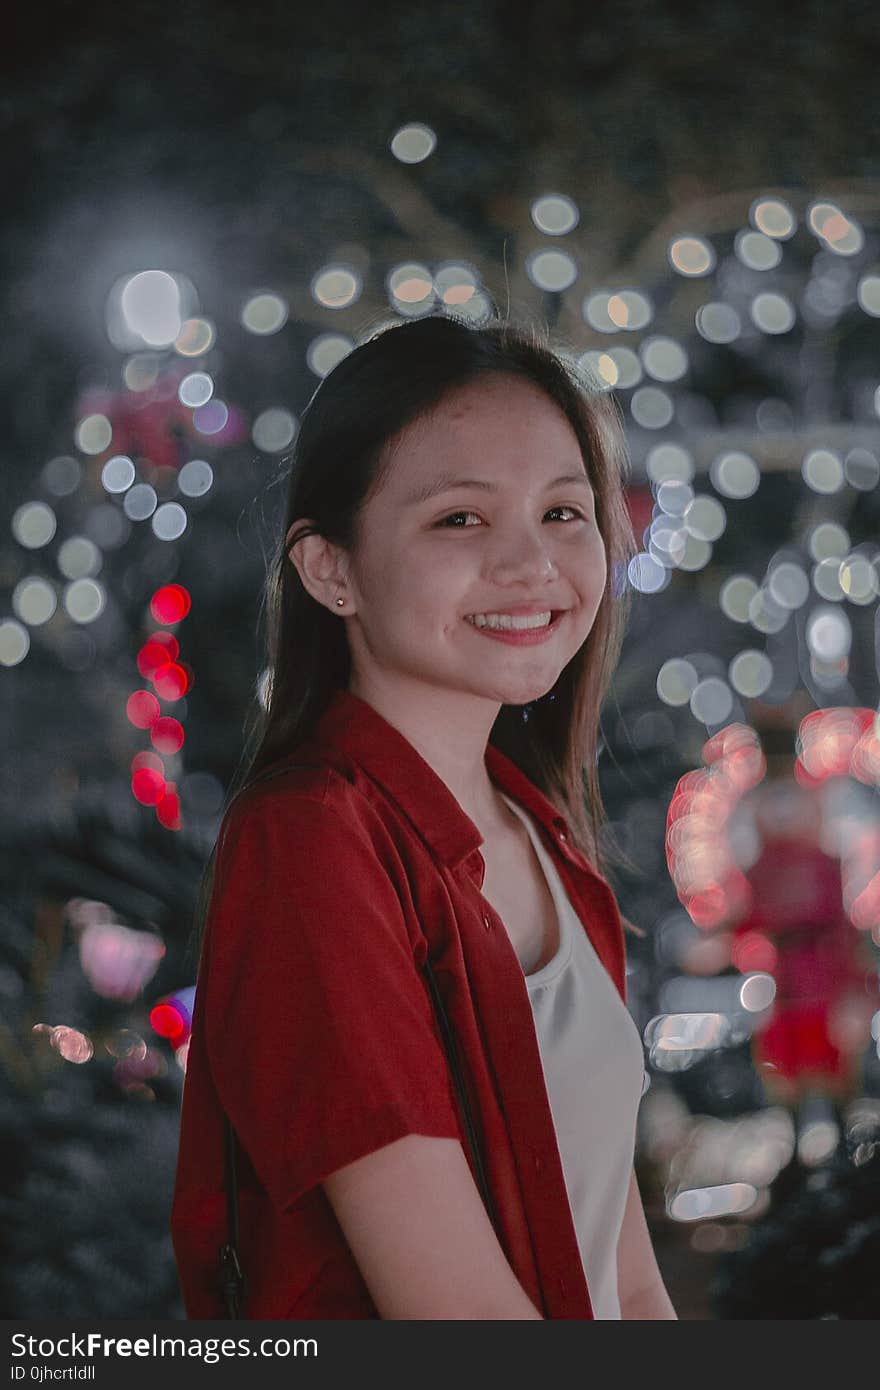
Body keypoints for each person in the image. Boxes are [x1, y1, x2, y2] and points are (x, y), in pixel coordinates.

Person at [170, 312, 677, 1320]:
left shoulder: (544, 834)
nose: (532, 564)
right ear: (331, 570)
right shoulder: (312, 842)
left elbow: (623, 1275)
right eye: (460, 518)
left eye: (564, 513)